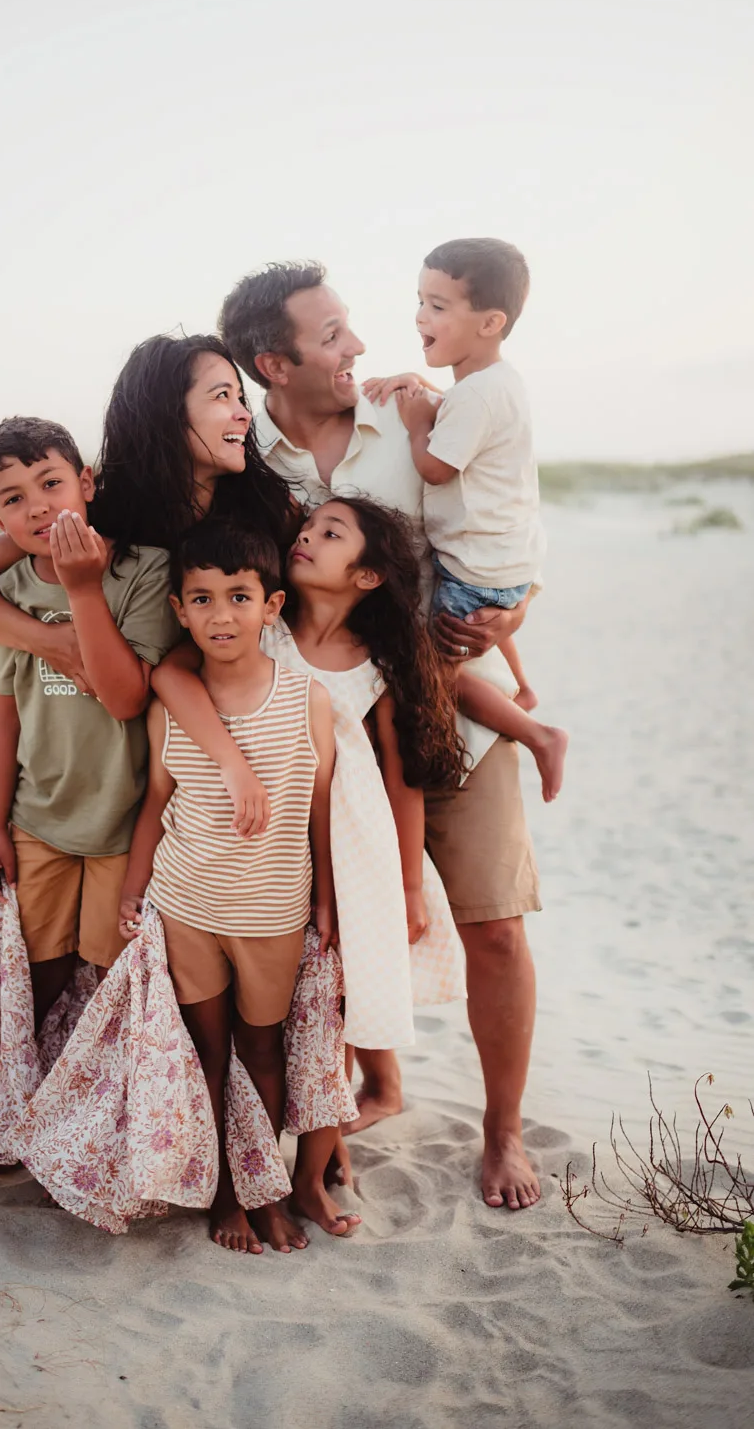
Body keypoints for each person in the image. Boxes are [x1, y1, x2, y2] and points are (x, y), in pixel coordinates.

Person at [217, 261, 543, 1210]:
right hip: (318, 738)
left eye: (352, 326)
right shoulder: (247, 465)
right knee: (333, 926)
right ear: (273, 364)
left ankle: (504, 1132)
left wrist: (515, 613)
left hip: (440, 706)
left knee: (494, 926)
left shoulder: (423, 422)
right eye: (332, 335)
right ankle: (369, 1084)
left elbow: (511, 531)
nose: (360, 345)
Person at [153, 495, 467, 1218]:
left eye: (332, 533)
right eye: (308, 527)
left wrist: (410, 886)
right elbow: (172, 673)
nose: (308, 536)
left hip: (351, 847)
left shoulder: (379, 661)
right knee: (267, 1019)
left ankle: (314, 1170)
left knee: (331, 1014)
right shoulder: (261, 624)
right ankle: (270, 1164)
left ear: (367, 577)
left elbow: (401, 775)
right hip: (260, 844)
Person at [0, 333, 298, 828]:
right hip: (115, 775)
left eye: (239, 397)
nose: (242, 414)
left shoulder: (268, 514)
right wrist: (51, 642)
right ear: (168, 411)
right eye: (220, 396)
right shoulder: (99, 508)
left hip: (241, 751)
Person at [118, 520, 337, 1256]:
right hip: (187, 907)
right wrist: (132, 888)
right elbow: (155, 803)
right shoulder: (172, 707)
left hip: (272, 910)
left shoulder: (304, 699)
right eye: (202, 600)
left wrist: (327, 898)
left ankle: (264, 1188)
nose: (220, 615)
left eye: (238, 597)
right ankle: (222, 1193)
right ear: (178, 610)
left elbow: (320, 809)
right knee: (207, 1054)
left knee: (264, 1051)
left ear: (271, 606)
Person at [0, 415, 181, 1029]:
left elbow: (124, 700)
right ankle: (28, 1100)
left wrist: (83, 590)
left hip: (123, 822)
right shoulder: (8, 588)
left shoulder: (143, 570)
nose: (38, 508)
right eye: (15, 499)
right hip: (38, 820)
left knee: (107, 981)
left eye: (51, 484)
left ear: (86, 484)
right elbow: (4, 716)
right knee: (37, 975)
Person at [363, 238, 568, 803]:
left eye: (437, 305)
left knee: (432, 667)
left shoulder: (472, 399)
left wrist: (414, 426)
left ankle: (539, 735)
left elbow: (433, 467)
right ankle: (523, 687)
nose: (420, 316)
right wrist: (422, 393)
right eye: (420, 301)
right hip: (509, 560)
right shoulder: (498, 383)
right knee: (483, 619)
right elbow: (461, 408)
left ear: (490, 322)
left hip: (476, 567)